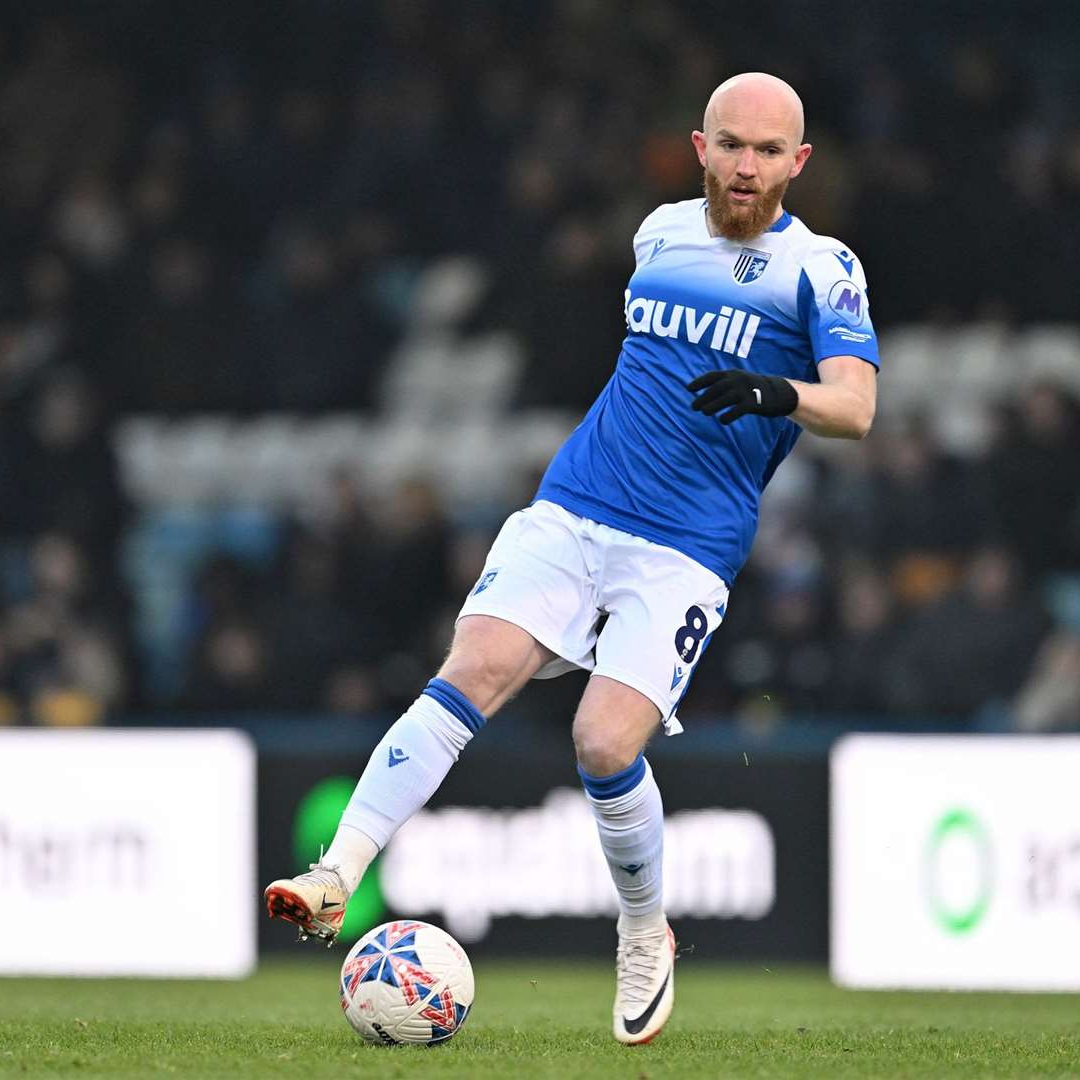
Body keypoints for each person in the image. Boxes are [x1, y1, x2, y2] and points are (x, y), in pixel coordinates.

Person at [265, 72, 879, 1045]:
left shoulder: (822, 269)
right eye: (732, 144)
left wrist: (775, 393)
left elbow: (857, 406)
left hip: (685, 549)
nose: (749, 165)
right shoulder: (659, 235)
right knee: (472, 669)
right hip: (577, 504)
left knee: (602, 743)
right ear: (700, 147)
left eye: (770, 150)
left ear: (798, 162)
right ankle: (336, 875)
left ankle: (645, 928)